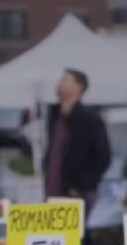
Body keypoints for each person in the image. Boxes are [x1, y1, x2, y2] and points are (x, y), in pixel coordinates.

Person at [44, 69, 111, 213]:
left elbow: (103, 156)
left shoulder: (89, 118)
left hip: (78, 192)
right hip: (54, 190)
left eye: (64, 81)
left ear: (78, 88)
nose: (59, 85)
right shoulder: (55, 117)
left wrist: (83, 184)